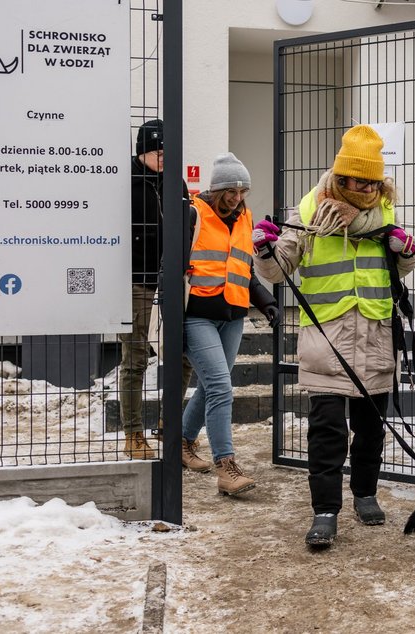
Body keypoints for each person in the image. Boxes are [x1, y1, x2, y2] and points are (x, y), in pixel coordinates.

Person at [251, 125, 415, 547]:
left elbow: (393, 270)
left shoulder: (385, 213)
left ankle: (365, 493)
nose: (365, 188)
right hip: (327, 338)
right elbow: (277, 271)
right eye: (357, 180)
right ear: (340, 177)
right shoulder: (310, 211)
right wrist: (265, 249)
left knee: (372, 429)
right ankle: (325, 512)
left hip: (376, 336)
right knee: (326, 431)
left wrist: (407, 254)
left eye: (372, 182)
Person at [181, 152, 280, 495]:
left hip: (234, 315)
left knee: (212, 386)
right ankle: (227, 467)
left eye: (242, 192)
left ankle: (180, 442)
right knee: (221, 386)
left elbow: (244, 269)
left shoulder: (245, 218)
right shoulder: (194, 214)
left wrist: (265, 300)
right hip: (197, 315)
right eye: (231, 191)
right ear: (216, 189)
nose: (237, 198)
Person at [120, 119, 188, 460]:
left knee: (182, 354)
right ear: (141, 150)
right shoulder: (125, 184)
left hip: (174, 281)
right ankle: (133, 434)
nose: (163, 157)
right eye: (157, 151)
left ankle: (168, 425)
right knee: (135, 360)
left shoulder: (176, 184)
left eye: (167, 151)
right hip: (136, 280)